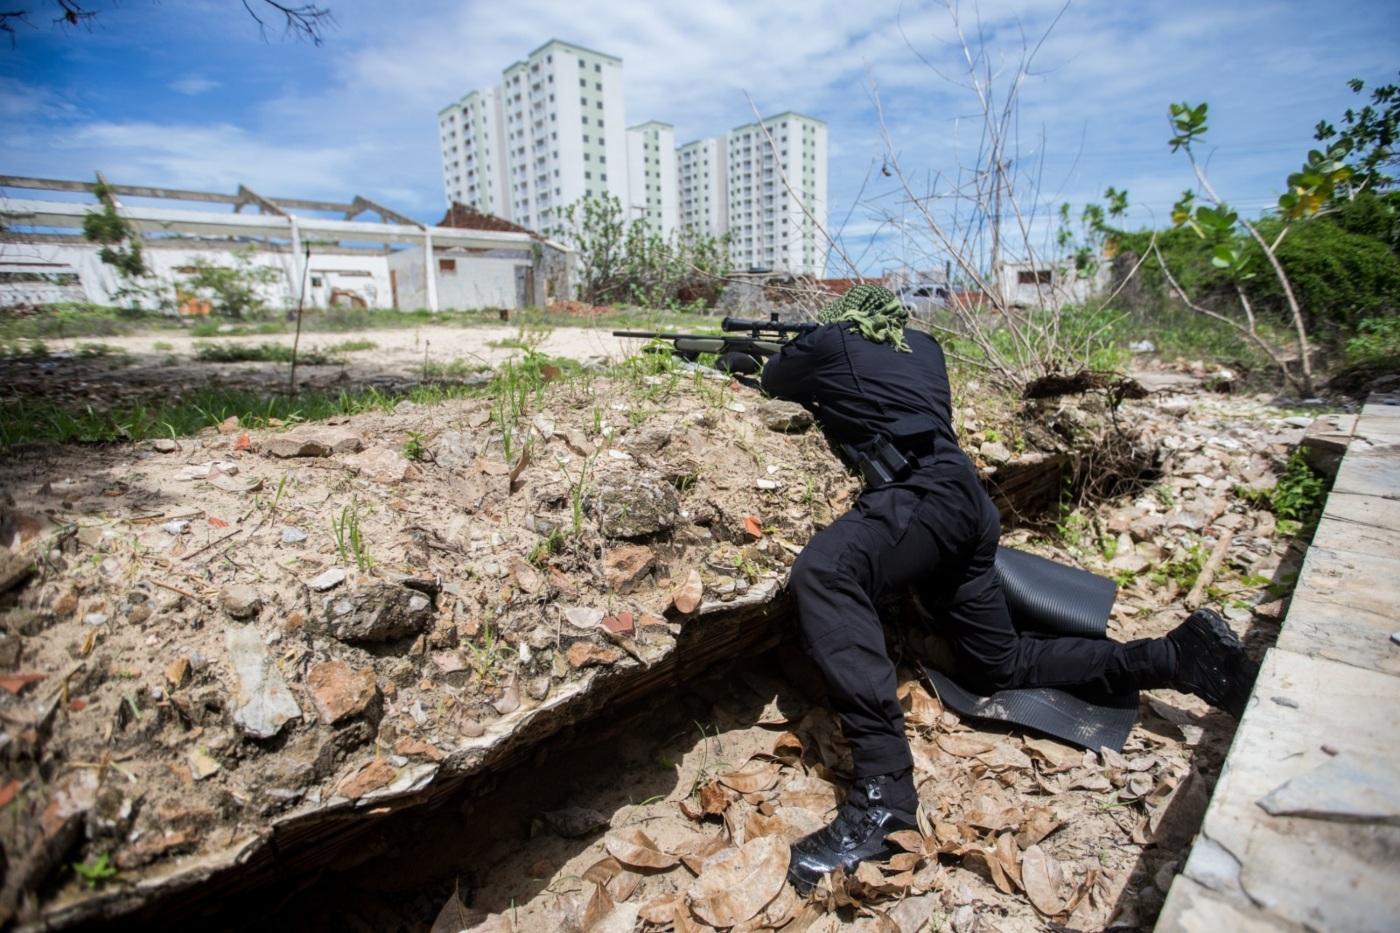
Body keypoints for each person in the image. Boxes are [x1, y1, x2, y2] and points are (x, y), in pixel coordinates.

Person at [760, 284, 1258, 894]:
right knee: (999, 664)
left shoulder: (829, 339)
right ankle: (1176, 656)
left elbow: (777, 377)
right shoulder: (924, 345)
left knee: (827, 572)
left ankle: (886, 796)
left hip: (920, 500)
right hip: (967, 504)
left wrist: (768, 352)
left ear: (842, 316)